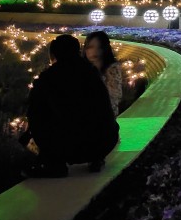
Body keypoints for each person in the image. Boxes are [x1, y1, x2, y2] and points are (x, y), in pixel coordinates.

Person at [24, 34, 119, 178]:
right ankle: (96, 158)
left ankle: (54, 164)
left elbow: (34, 114)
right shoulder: (91, 73)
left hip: (65, 148)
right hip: (104, 143)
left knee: (35, 120)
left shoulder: (47, 78)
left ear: (54, 54)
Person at [84, 30, 122, 117]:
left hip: (105, 120)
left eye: (99, 47)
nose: (95, 51)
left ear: (105, 48)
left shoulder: (113, 70)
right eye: (90, 47)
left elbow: (115, 97)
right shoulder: (81, 70)